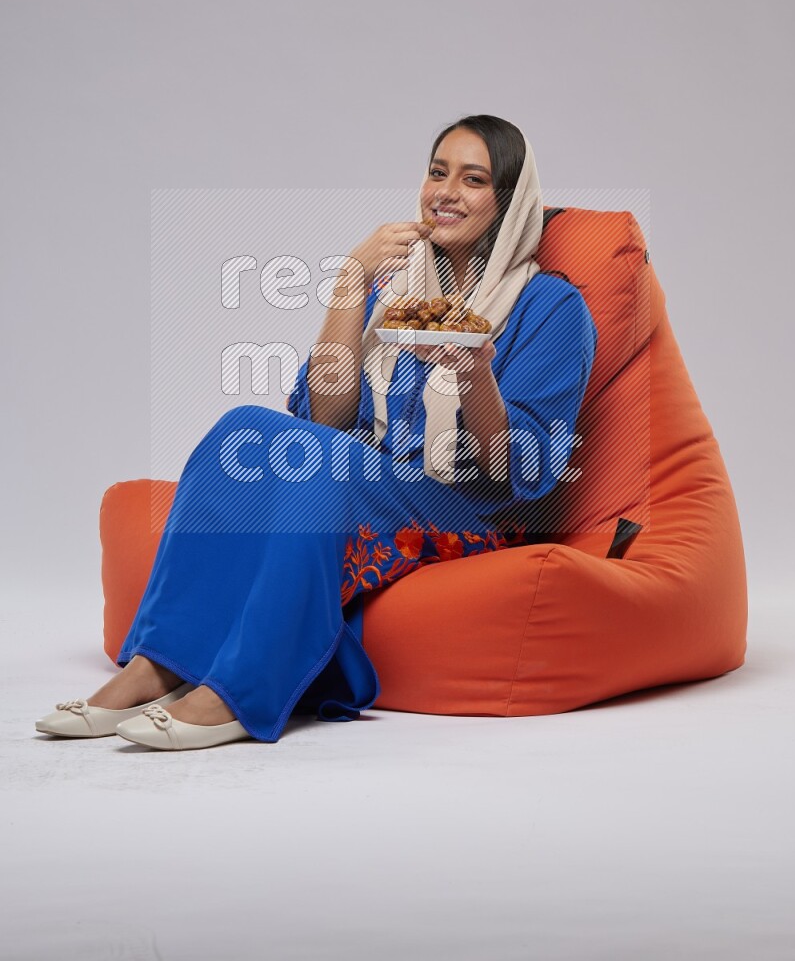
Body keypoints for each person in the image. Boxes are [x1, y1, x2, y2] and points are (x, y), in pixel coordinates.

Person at [35, 114, 598, 751]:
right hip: (374, 472)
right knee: (241, 430)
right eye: (437, 172)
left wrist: (474, 375)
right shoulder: (398, 287)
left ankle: (240, 693)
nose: (446, 191)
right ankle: (154, 665)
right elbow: (324, 418)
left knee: (322, 472)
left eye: (473, 180)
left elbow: (519, 469)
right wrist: (349, 285)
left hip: (467, 500)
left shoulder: (552, 306)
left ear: (508, 203)